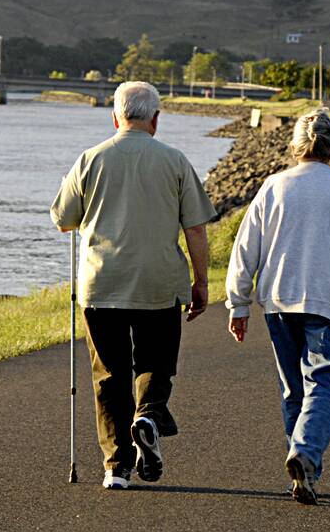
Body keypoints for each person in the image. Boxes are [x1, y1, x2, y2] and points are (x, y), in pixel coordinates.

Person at [51, 81, 218, 491]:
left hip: (102, 282)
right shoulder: (175, 161)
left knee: (108, 374)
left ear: (115, 116)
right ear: (155, 119)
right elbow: (195, 228)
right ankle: (148, 414)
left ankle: (117, 467)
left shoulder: (90, 159)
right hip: (158, 282)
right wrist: (200, 282)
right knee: (155, 364)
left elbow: (63, 220)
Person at [225, 108, 330, 505]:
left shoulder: (274, 187)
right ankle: (306, 455)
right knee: (325, 383)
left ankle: (302, 468)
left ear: (296, 146)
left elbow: (245, 250)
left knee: (294, 388)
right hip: (328, 301)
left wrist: (238, 304)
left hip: (279, 301)